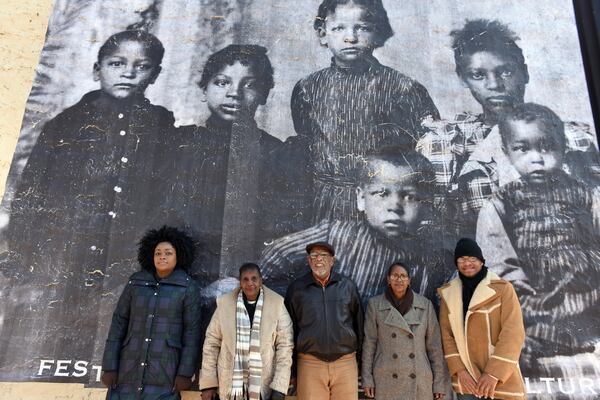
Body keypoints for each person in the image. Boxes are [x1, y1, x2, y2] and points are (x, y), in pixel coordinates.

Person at [0, 29, 175, 376]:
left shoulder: (161, 127)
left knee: (113, 344)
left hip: (126, 258)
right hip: (65, 259)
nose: (128, 72)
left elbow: (165, 195)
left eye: (141, 66)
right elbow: (30, 199)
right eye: (116, 63)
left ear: (154, 74)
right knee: (52, 342)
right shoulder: (65, 125)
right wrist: (25, 261)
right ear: (97, 70)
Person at [416, 19, 598, 236]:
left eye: (505, 72)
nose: (494, 85)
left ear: (525, 72)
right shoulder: (449, 142)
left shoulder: (572, 137)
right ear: (463, 79)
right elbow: (435, 228)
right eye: (478, 75)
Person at [291, 0, 439, 222]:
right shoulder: (307, 88)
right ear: (323, 34)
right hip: (324, 201)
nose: (350, 37)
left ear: (378, 34)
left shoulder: (404, 87)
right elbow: (306, 142)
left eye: (362, 28)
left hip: (384, 200)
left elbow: (426, 151)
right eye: (339, 28)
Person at [476, 103, 600, 366]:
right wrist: (521, 298)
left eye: (547, 147)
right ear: (506, 153)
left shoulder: (586, 194)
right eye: (522, 148)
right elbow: (499, 261)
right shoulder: (501, 202)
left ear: (563, 147)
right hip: (534, 295)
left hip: (587, 291)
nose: (537, 158)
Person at [157, 44, 286, 279]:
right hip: (182, 276)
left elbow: (276, 235)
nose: (234, 93)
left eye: (249, 85)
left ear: (265, 94)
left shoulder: (275, 153)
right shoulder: (180, 144)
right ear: (204, 89)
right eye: (222, 82)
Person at [261, 147, 454, 304]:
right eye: (382, 193)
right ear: (361, 198)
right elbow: (276, 253)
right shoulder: (335, 235)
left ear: (427, 204)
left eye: (410, 196)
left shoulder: (430, 261)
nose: (394, 207)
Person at [101, 226, 202, 399]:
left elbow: (192, 333)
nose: (162, 256)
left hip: (165, 373)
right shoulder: (136, 282)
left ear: (178, 256)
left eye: (168, 253)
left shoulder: (187, 287)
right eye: (158, 253)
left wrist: (185, 373)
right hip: (128, 371)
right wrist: (109, 366)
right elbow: (119, 323)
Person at [439, 238, 526, 400]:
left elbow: (513, 333)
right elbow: (446, 336)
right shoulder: (448, 294)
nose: (467, 263)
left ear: (481, 261)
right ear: (456, 263)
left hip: (499, 382)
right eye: (462, 259)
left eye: (472, 259)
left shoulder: (503, 289)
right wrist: (460, 371)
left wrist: (493, 374)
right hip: (467, 382)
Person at [199, 263, 293, 400]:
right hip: (229, 385)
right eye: (245, 279)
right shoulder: (225, 305)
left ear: (261, 280)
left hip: (263, 386)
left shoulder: (276, 304)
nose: (250, 283)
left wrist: (279, 387)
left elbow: (285, 347)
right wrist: (208, 384)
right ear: (240, 282)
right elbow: (211, 343)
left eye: (254, 279)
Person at [284, 241, 363, 400]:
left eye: (324, 255)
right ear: (309, 261)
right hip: (310, 363)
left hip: (345, 362)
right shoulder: (297, 289)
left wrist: (360, 362)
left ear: (332, 260)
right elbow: (288, 332)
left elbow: (359, 325)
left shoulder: (347, 286)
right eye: (314, 255)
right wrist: (291, 370)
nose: (318, 259)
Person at [362, 261, 451, 400]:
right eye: (395, 276)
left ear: (409, 280)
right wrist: (367, 378)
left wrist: (439, 383)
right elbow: (369, 344)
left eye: (403, 276)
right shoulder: (375, 305)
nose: (399, 279)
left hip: (419, 381)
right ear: (388, 279)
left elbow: (435, 347)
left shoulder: (425, 305)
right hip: (386, 380)